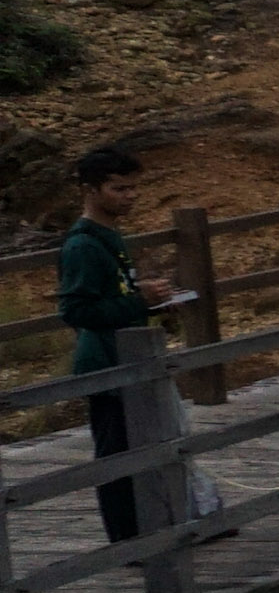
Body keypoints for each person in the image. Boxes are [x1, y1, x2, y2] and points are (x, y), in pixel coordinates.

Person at [59, 146, 198, 548]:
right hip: (105, 363)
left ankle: (154, 527)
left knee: (146, 446)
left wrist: (147, 299)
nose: (130, 196)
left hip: (131, 357)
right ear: (90, 191)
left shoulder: (110, 236)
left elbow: (111, 296)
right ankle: (127, 540)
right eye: (119, 189)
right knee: (118, 454)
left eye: (133, 188)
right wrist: (140, 302)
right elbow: (76, 309)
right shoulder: (83, 244)